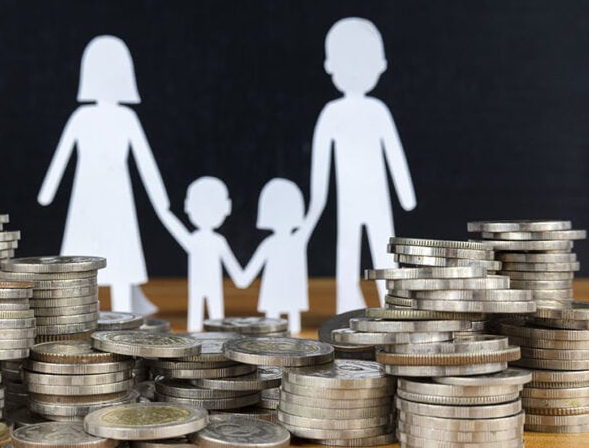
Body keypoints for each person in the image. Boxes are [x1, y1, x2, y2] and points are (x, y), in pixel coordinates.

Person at [37, 35, 169, 315]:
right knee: (98, 260)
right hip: (98, 199)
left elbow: (144, 161)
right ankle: (100, 316)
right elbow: (146, 164)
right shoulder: (99, 118)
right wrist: (161, 199)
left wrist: (47, 193)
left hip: (105, 197)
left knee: (108, 261)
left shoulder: (92, 117)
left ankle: (121, 319)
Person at [300, 17, 417, 313]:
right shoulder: (331, 113)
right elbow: (320, 167)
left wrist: (405, 194)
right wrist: (315, 207)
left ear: (380, 65)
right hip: (350, 203)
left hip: (376, 201)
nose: (354, 72)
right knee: (348, 253)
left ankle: (392, 306)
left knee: (384, 251)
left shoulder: (378, 111)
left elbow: (394, 154)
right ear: (330, 67)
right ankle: (347, 309)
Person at [160, 176, 244, 332]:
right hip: (199, 287)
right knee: (197, 322)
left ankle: (215, 344)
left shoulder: (215, 241)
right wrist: (163, 210)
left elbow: (235, 270)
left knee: (215, 321)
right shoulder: (197, 240)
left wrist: (242, 279)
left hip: (210, 287)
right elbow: (171, 223)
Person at [236, 178, 309, 334]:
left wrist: (241, 278)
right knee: (274, 328)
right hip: (278, 294)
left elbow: (247, 275)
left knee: (290, 327)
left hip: (284, 293)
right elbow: (249, 273)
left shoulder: (296, 240)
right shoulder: (295, 240)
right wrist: (241, 278)